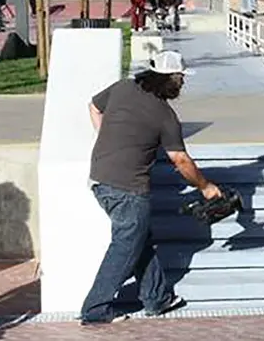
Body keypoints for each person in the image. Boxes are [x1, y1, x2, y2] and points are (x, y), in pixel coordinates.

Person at [80, 50, 223, 325]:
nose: (183, 84)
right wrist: (205, 187)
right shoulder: (165, 116)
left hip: (100, 178)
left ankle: (156, 298)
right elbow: (180, 160)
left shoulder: (122, 87)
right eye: (181, 79)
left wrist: (109, 140)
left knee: (139, 240)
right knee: (125, 246)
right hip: (129, 188)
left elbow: (94, 107)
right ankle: (95, 309)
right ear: (170, 80)